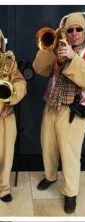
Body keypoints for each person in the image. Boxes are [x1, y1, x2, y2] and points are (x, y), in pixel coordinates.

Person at [32, 11, 85, 214]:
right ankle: (50, 176)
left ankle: (70, 193)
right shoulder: (56, 49)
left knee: (70, 155)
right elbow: (39, 69)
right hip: (51, 106)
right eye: (70, 29)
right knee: (48, 146)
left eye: (79, 29)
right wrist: (49, 49)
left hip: (73, 112)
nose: (74, 33)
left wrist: (73, 58)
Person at [0, 30, 27, 203]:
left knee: (6, 154)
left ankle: (3, 188)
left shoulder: (8, 62)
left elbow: (21, 82)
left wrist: (11, 90)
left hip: (6, 116)